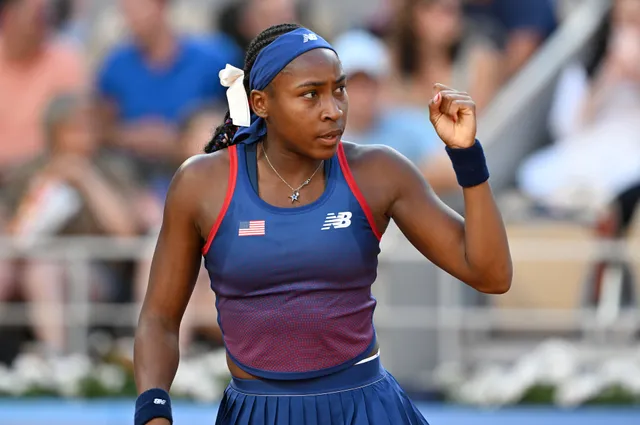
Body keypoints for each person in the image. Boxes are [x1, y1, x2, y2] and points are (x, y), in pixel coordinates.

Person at [134, 23, 512, 425]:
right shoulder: (200, 183)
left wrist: (467, 156)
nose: (333, 109)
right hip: (257, 411)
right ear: (261, 103)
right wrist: (154, 413)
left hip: (367, 410)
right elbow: (158, 319)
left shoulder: (380, 171)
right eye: (310, 94)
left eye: (339, 89)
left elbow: (490, 274)